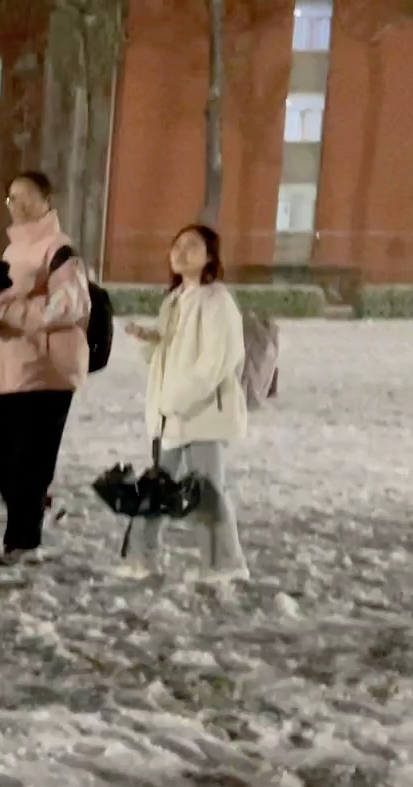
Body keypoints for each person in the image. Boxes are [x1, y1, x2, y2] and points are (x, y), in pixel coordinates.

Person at [0, 170, 91, 565]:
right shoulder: (10, 252)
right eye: (11, 198)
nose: (16, 204)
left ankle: (22, 544)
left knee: (29, 461)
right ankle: (34, 510)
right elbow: (9, 307)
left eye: (24, 196)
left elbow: (68, 305)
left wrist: (8, 308)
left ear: (46, 200)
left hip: (48, 369)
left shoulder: (59, 249)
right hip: (11, 368)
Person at [121, 224, 250, 583]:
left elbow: (216, 361)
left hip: (203, 413)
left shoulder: (217, 300)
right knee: (157, 487)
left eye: (192, 246)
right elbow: (166, 358)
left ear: (210, 256)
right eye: (176, 245)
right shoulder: (175, 300)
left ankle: (224, 564)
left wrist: (178, 398)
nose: (180, 252)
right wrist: (149, 342)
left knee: (206, 489)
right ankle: (141, 557)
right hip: (169, 415)